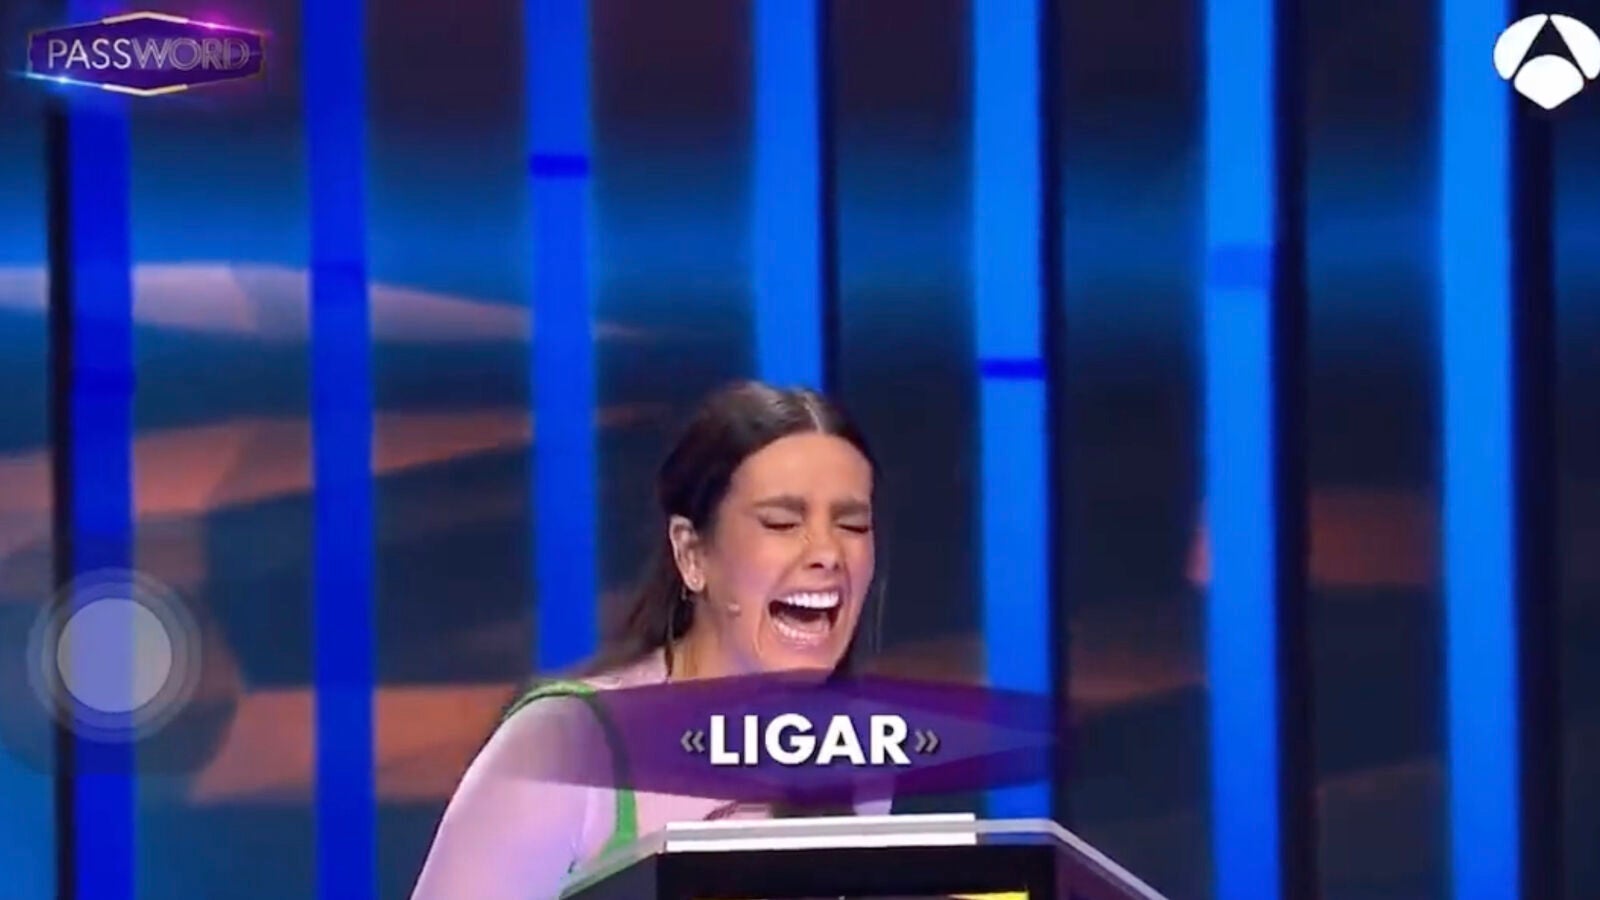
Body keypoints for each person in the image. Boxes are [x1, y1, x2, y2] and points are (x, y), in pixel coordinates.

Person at [411, 381, 888, 899]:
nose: (827, 554)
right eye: (782, 522)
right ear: (692, 554)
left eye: (852, 525)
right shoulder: (563, 747)